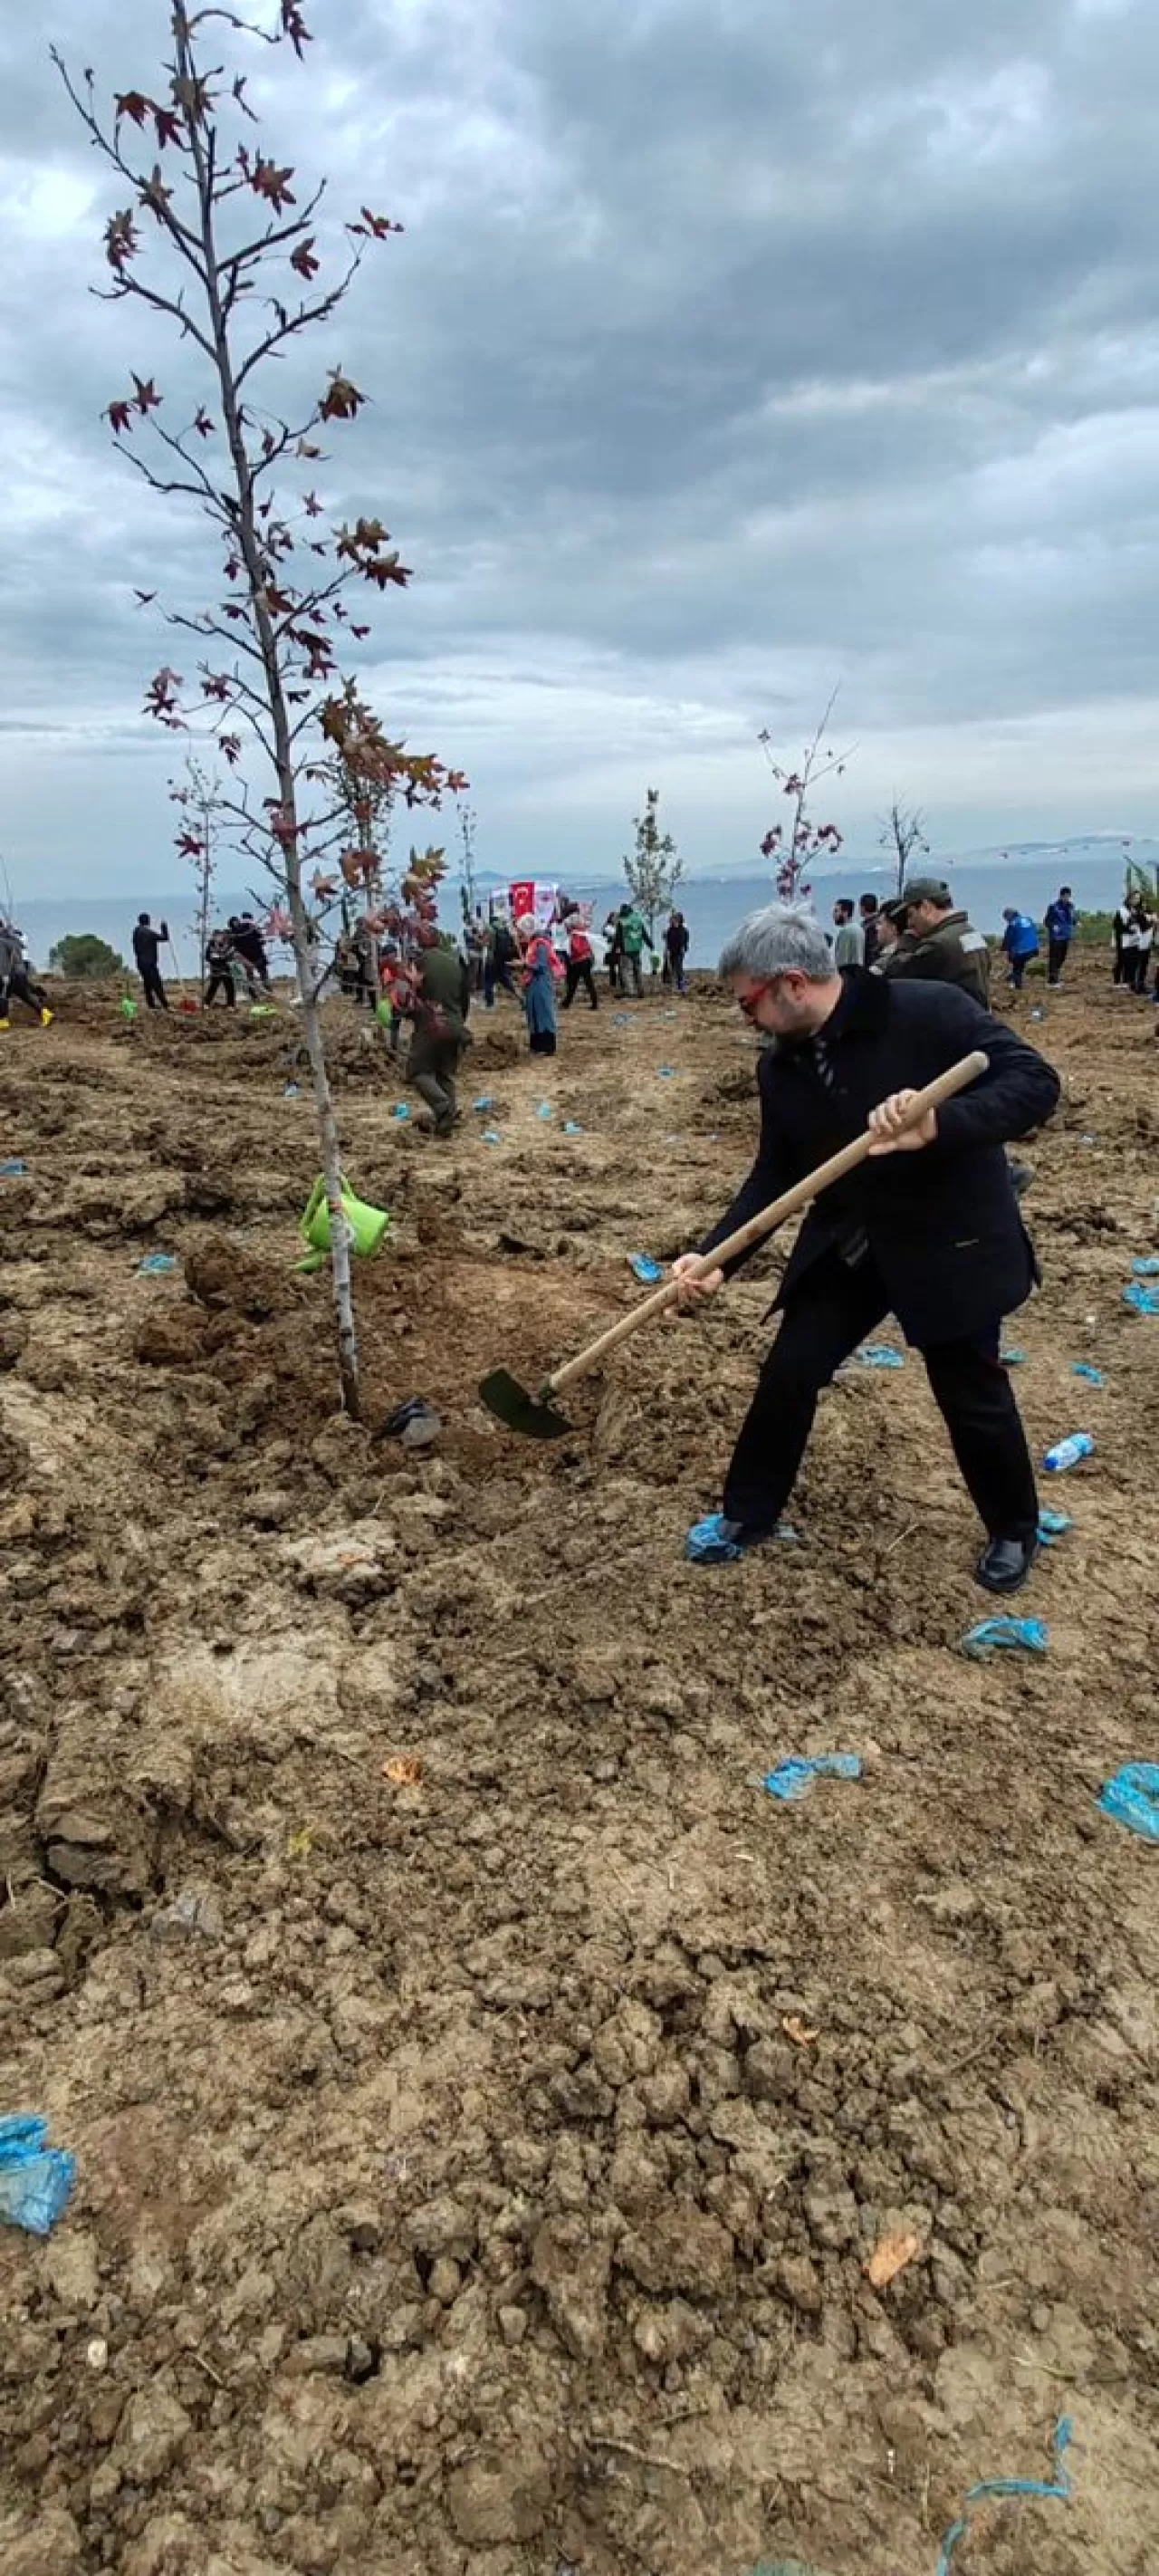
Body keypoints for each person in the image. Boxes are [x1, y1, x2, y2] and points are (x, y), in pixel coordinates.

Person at [671, 905, 1060, 1596]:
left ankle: (1013, 1528)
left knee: (970, 1391)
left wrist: (940, 1122)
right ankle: (748, 1514)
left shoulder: (928, 1012)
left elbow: (1034, 1084)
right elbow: (775, 1173)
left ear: (792, 982)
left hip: (949, 1240)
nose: (747, 1020)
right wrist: (715, 1257)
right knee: (790, 1371)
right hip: (852, 1242)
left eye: (749, 1004)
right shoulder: (782, 1068)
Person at [406, 928, 471, 1135]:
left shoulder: (419, 965)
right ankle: (447, 1120)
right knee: (444, 1073)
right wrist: (459, 1022)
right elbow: (465, 997)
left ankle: (442, 1107)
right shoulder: (454, 962)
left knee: (417, 1072)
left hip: (432, 1026)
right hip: (455, 1025)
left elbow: (411, 1000)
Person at [894, 876, 990, 1008]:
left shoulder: (938, 945)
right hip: (976, 1018)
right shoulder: (970, 932)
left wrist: (907, 940)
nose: (910, 923)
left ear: (926, 907)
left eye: (911, 915)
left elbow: (898, 972)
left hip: (954, 1022)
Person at [519, 917, 562, 1055]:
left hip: (541, 982)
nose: (521, 934)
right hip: (533, 982)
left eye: (522, 931)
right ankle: (536, 1045)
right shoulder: (534, 943)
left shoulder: (541, 944)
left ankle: (547, 1046)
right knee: (534, 1012)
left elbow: (541, 965)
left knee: (543, 1012)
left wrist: (524, 965)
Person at [0, 918, 53, 1030]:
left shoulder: (1, 941)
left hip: (10, 974)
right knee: (26, 996)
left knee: (2, 995)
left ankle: (3, 1021)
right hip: (21, 973)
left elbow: (3, 960)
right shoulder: (14, 939)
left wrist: (4, 976)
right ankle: (45, 1013)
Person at [132, 913, 170, 1011]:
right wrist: (164, 927)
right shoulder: (148, 933)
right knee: (157, 984)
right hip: (149, 963)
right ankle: (165, 1005)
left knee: (147, 984)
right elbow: (164, 938)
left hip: (140, 962)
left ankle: (151, 1004)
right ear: (148, 921)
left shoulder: (136, 931)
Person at [562, 916, 599, 1012]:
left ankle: (567, 1003)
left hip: (579, 961)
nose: (565, 928)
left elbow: (577, 949)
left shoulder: (575, 934)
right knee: (587, 982)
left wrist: (571, 956)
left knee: (574, 983)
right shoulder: (582, 932)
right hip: (585, 959)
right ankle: (594, 1002)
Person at [1044, 887, 1078, 987]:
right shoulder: (1053, 907)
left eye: (1068, 896)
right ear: (1061, 895)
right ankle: (1052, 980)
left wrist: (1077, 922)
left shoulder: (1071, 906)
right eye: (1065, 896)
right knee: (1054, 958)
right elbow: (1047, 921)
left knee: (1062, 958)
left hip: (1066, 936)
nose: (1066, 898)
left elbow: (1072, 918)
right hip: (1056, 937)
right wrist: (1052, 926)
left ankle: (1055, 975)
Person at [484, 914, 519, 1009]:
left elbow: (486, 943)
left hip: (492, 961)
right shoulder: (504, 929)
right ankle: (521, 1000)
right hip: (502, 960)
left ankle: (489, 1004)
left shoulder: (490, 929)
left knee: (488, 983)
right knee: (507, 982)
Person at [1001, 907, 1039, 992]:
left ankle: (1018, 987)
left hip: (1021, 952)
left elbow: (1008, 940)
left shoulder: (1012, 924)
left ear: (1009, 916)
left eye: (1006, 918)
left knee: (1016, 965)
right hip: (1034, 949)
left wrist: (1004, 950)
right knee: (1019, 961)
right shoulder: (1029, 919)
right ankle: (1013, 976)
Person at [231, 913, 272, 995]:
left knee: (250, 977)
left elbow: (235, 944)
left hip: (246, 958)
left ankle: (253, 994)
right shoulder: (254, 928)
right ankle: (268, 992)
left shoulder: (237, 930)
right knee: (263, 975)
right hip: (258, 956)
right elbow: (262, 940)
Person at [618, 902, 648, 999]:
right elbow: (644, 934)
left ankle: (630, 991)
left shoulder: (622, 922)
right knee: (637, 970)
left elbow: (618, 938)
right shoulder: (638, 920)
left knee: (625, 971)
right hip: (636, 948)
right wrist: (651, 947)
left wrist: (614, 949)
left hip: (625, 950)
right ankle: (641, 991)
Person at [1126, 898, 1154, 995]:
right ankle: (1138, 986)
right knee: (1140, 966)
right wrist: (1152, 922)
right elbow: (1143, 928)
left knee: (1142, 966)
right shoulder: (1138, 914)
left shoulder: (1143, 914)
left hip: (1144, 943)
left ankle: (1138, 985)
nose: (1145, 905)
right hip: (1140, 944)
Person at [204, 925, 236, 1007]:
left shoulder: (227, 945)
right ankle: (206, 1003)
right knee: (213, 986)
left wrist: (223, 957)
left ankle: (231, 1005)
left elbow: (230, 956)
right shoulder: (211, 946)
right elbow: (208, 957)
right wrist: (217, 958)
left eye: (220, 936)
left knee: (230, 987)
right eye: (216, 936)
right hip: (215, 968)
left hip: (226, 968)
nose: (218, 937)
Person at [831, 899, 864, 968]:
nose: (833, 914)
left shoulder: (846, 931)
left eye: (836, 911)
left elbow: (841, 961)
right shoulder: (859, 928)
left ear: (845, 913)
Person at [665, 910, 690, 995]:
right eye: (672, 919)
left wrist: (684, 948)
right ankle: (674, 987)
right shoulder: (669, 930)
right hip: (672, 952)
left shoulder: (683, 930)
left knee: (679, 969)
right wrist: (667, 951)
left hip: (680, 952)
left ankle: (682, 988)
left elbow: (685, 940)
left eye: (675, 919)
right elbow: (668, 942)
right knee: (672, 969)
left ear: (679, 920)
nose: (673, 921)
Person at [1112, 896, 1133, 986]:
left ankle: (1126, 980)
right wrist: (1128, 930)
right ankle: (1116, 981)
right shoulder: (1121, 911)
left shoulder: (1134, 911)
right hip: (1122, 939)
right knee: (1121, 959)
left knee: (1129, 960)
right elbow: (1116, 926)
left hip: (1132, 940)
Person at [603, 911, 625, 995]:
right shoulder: (608, 927)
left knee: (620, 967)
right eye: (614, 917)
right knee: (613, 968)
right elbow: (614, 935)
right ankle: (613, 985)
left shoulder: (618, 926)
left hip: (617, 949)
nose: (616, 919)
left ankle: (621, 984)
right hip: (611, 949)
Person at [859, 894, 881, 969]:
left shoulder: (869, 926)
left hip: (869, 968)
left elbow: (871, 949)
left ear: (863, 908)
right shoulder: (881, 922)